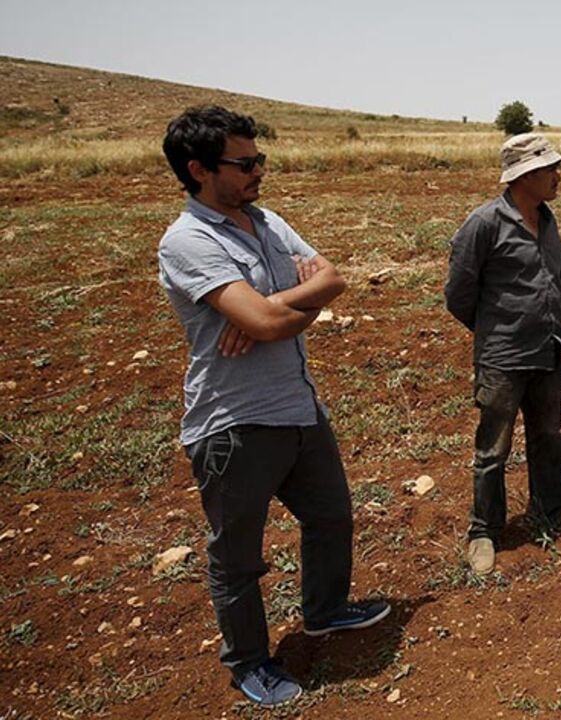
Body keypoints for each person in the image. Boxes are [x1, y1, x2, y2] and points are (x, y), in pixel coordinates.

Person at [158, 106, 390, 706]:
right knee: (237, 559)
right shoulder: (187, 241)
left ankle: (326, 610)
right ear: (199, 170)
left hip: (297, 406)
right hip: (233, 422)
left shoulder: (266, 221)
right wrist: (273, 313)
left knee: (332, 515)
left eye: (258, 158)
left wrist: (274, 310)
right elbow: (265, 319)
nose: (259, 169)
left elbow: (332, 281)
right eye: (245, 162)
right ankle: (249, 662)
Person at [445, 133, 561, 575]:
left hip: (549, 351)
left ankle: (551, 509)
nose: (558, 176)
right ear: (525, 175)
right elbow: (458, 294)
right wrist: (496, 332)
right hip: (503, 358)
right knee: (493, 448)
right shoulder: (484, 224)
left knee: (549, 436)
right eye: (550, 169)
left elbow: (557, 280)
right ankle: (483, 531)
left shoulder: (548, 221)